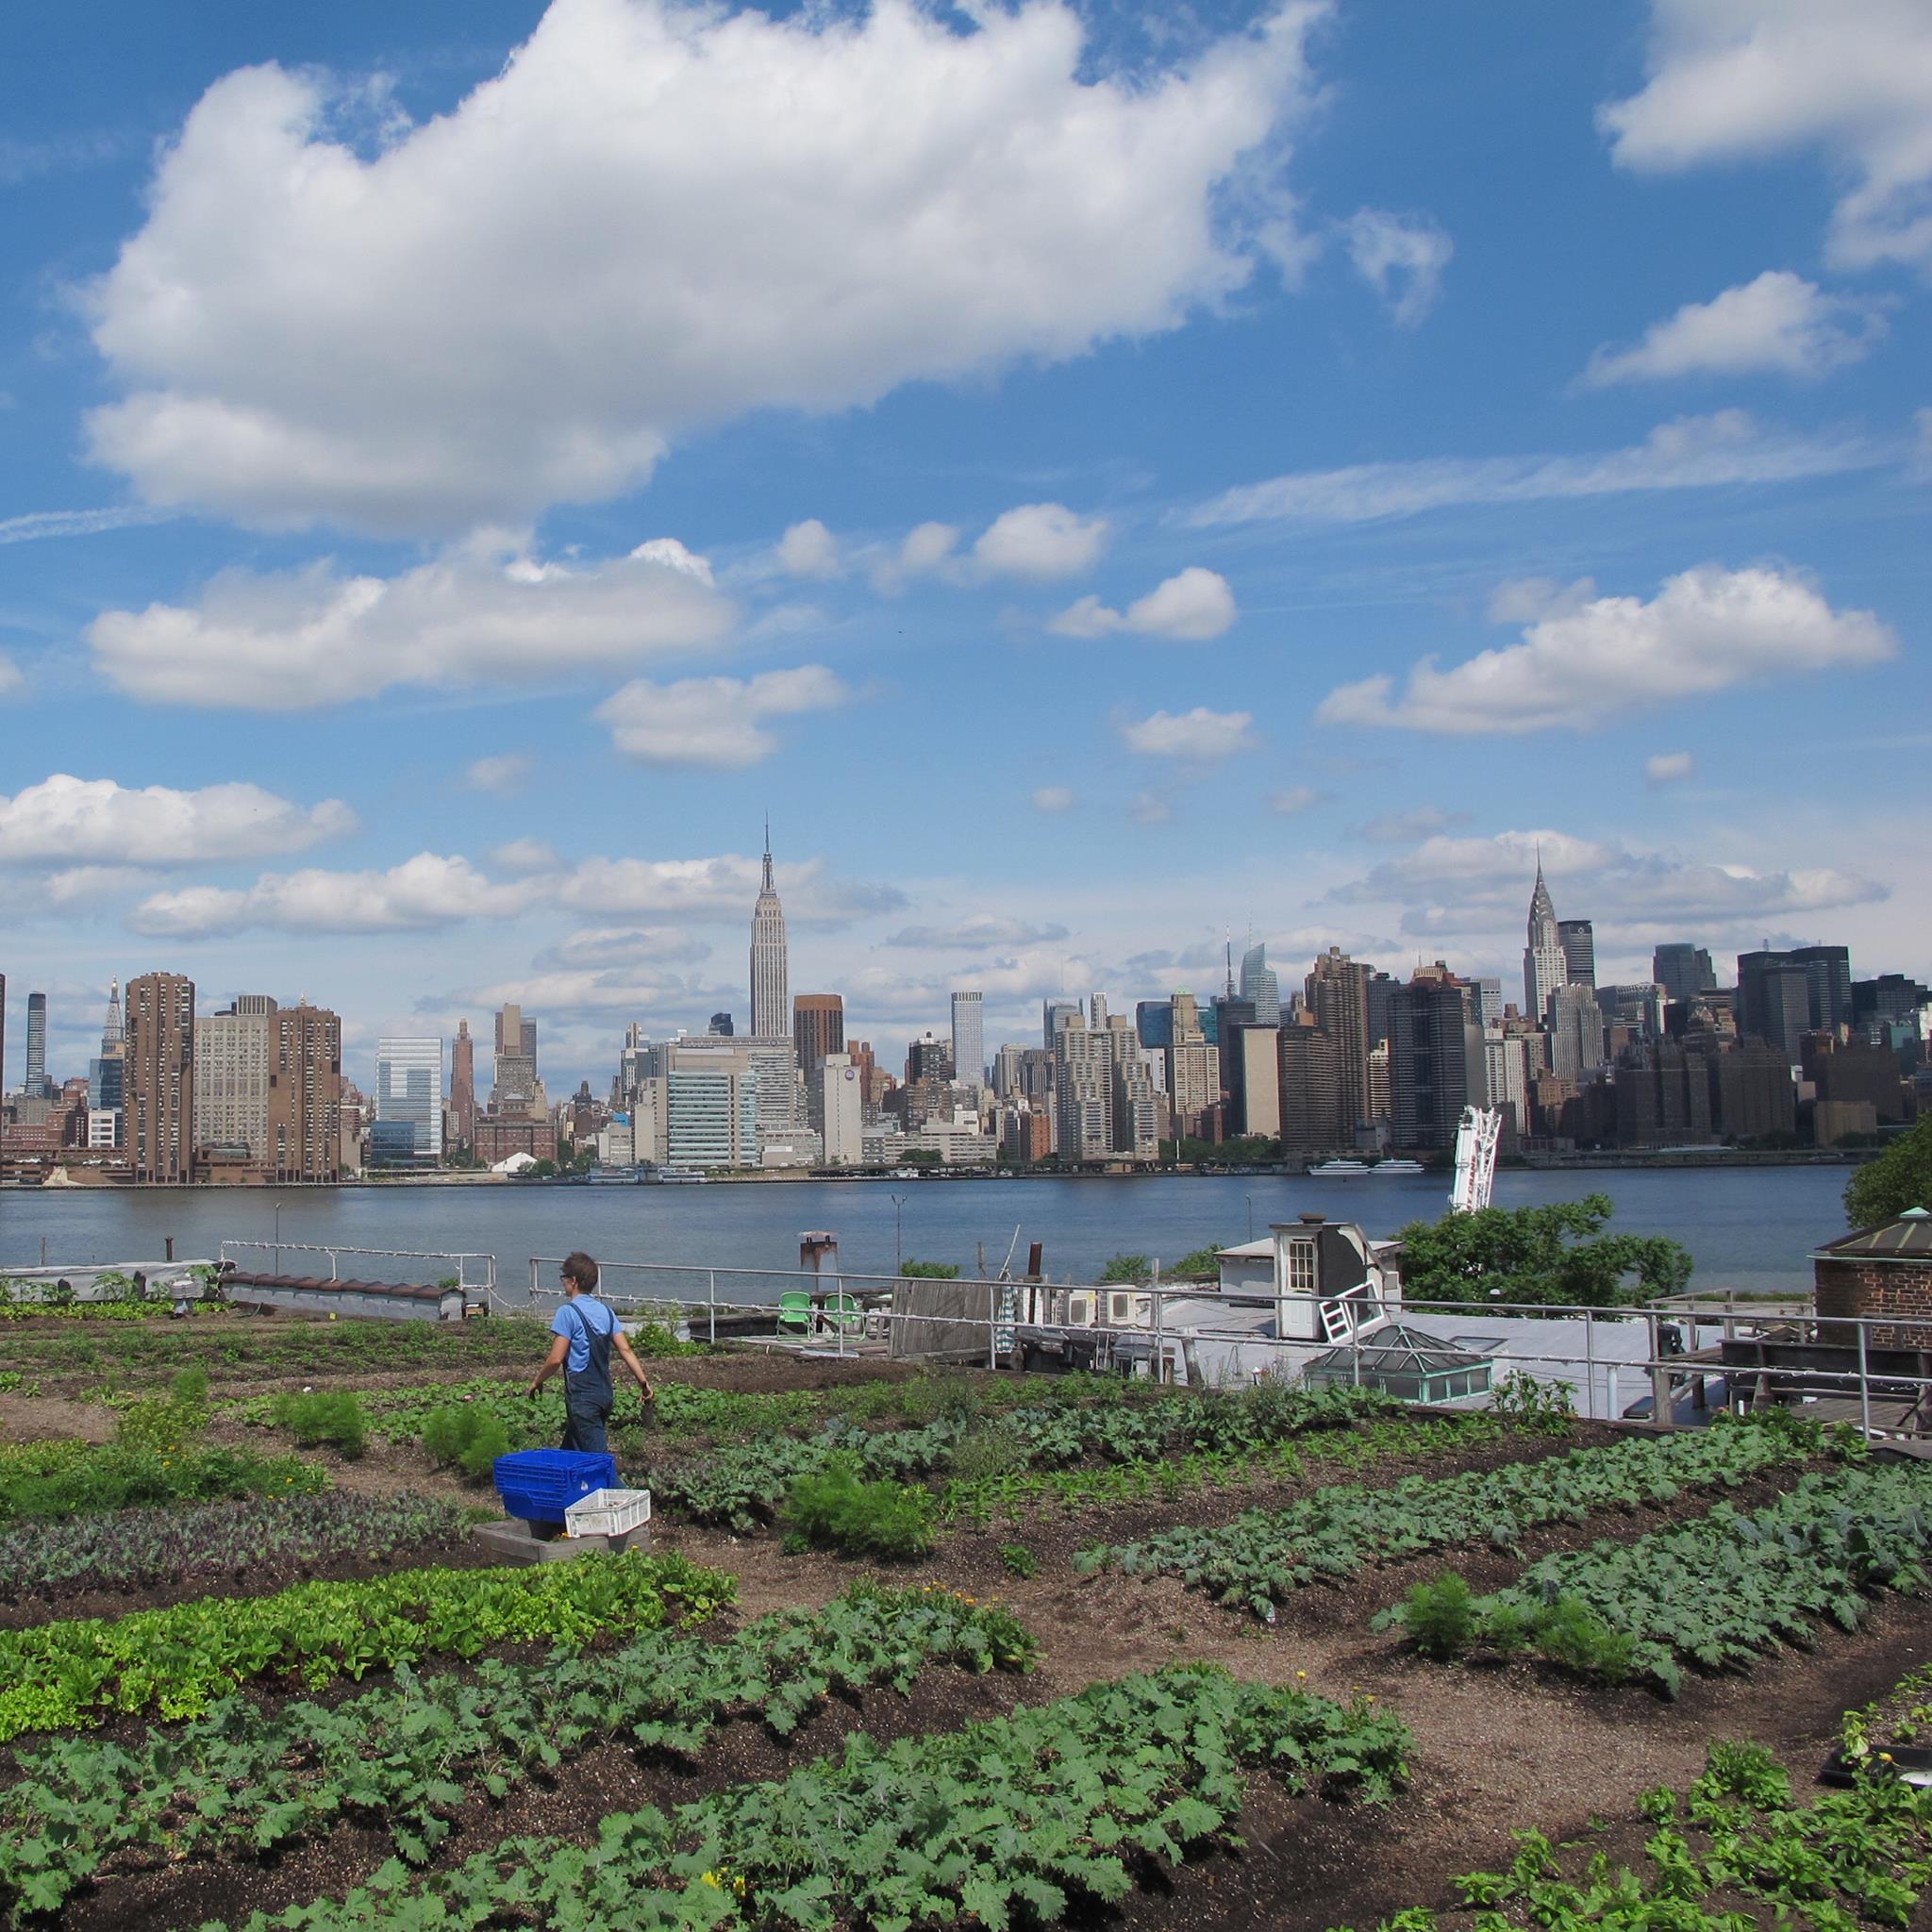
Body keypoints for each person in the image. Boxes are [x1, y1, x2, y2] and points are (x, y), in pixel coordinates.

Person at [526, 1251, 655, 1456]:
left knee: (599, 1463)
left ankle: (624, 1489)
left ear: (573, 1281)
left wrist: (537, 1381)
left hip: (583, 1399)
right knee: (569, 1454)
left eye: (564, 1278)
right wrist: (643, 1383)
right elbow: (625, 1350)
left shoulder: (567, 1313)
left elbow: (555, 1359)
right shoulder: (606, 1312)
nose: (563, 1283)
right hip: (604, 1394)